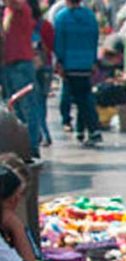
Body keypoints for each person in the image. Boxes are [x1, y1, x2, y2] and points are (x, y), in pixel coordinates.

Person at [53, 0, 101, 146]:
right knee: (84, 97)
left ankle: (90, 129)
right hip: (86, 63)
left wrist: (59, 62)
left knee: (75, 98)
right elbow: (95, 39)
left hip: (69, 63)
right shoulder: (90, 16)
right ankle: (83, 130)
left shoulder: (61, 17)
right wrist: (93, 61)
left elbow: (59, 42)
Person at [3, 0, 43, 157]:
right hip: (12, 63)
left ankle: (31, 147)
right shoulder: (10, 10)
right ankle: (24, 147)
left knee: (27, 108)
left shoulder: (19, 6)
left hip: (19, 63)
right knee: (17, 110)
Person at [29, 0, 55, 149]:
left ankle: (42, 134)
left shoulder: (24, 25)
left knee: (33, 101)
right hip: (46, 66)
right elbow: (51, 46)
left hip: (30, 66)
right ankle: (44, 133)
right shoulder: (46, 25)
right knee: (42, 101)